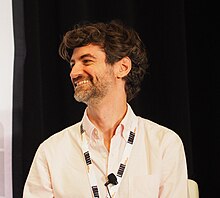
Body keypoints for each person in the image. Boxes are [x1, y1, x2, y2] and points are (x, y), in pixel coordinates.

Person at [23, 20, 188, 198]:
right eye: (72, 64)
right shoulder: (51, 152)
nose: (74, 73)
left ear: (122, 67)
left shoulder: (164, 143)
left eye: (86, 61)